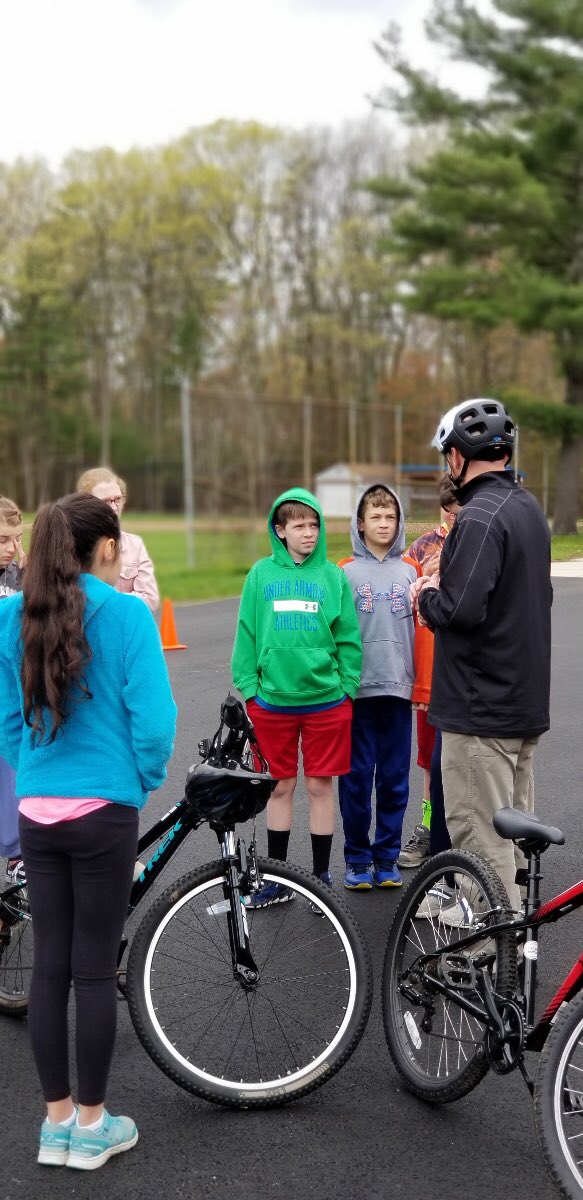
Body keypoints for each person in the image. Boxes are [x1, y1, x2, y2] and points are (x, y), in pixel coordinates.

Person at [0, 493, 177, 1170]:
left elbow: (6, 717)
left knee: (50, 967)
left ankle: (56, 1125)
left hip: (38, 810)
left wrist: (34, 769)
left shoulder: (12, 615)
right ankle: (95, 1124)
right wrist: (135, 780)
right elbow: (155, 723)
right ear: (106, 547)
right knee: (95, 970)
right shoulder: (129, 613)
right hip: (103, 812)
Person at [410, 398, 552, 914]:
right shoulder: (528, 509)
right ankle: (515, 949)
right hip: (521, 703)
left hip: (480, 711)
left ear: (456, 456)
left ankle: (487, 960)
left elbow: (461, 608)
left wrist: (423, 597)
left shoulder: (480, 516)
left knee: (481, 842)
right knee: (512, 836)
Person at [231, 487, 362, 906]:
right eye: (299, 525)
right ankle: (278, 881)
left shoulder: (332, 576)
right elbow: (247, 637)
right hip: (272, 705)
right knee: (279, 789)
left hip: (327, 703)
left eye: (314, 524)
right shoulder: (260, 575)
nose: (309, 532)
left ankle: (321, 878)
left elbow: (349, 639)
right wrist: (251, 693)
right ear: (280, 530)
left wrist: (347, 690)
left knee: (320, 788)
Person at [337, 483, 419, 890]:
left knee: (394, 779)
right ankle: (356, 856)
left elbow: (422, 632)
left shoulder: (410, 572)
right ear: (361, 524)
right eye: (376, 517)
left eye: (390, 517)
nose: (384, 524)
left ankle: (387, 855)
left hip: (398, 692)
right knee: (355, 779)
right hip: (358, 693)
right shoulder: (346, 573)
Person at [398, 474, 460, 868]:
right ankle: (428, 824)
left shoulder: (479, 540)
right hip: (428, 678)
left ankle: (460, 833)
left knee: (463, 760)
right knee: (428, 761)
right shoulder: (421, 548)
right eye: (448, 509)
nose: (454, 516)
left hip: (465, 676)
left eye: (459, 509)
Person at [76, 467, 160, 611]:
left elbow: (150, 599)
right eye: (106, 501)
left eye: (118, 499)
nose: (114, 507)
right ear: (86, 503)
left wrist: (107, 601)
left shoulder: (135, 545)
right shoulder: (71, 543)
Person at [0, 495, 27, 882]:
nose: (11, 548)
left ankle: (17, 857)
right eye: (3, 539)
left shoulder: (14, 574)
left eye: (17, 538)